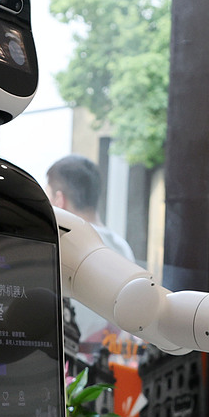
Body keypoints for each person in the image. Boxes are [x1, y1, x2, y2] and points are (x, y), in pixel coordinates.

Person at [47, 154, 137, 362]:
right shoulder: (122, 248)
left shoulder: (62, 246)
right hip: (105, 368)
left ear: (59, 201)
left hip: (67, 368)